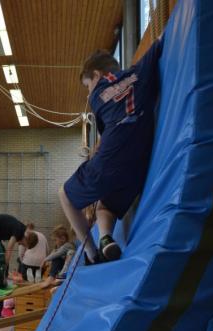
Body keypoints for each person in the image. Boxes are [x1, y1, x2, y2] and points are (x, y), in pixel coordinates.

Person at [60, 37, 164, 264]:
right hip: (138, 169)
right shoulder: (141, 72)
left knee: (65, 195)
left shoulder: (97, 96)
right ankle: (106, 239)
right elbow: (159, 42)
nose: (88, 93)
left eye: (88, 85)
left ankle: (91, 254)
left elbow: (108, 134)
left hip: (110, 163)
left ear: (96, 76)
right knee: (106, 204)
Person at [0, 214, 37, 290]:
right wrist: (5, 265)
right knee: (0, 257)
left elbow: (7, 253)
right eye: (23, 244)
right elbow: (9, 249)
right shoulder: (19, 231)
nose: (20, 244)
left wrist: (5, 270)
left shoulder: (22, 230)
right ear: (26, 239)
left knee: (2, 255)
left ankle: (2, 280)